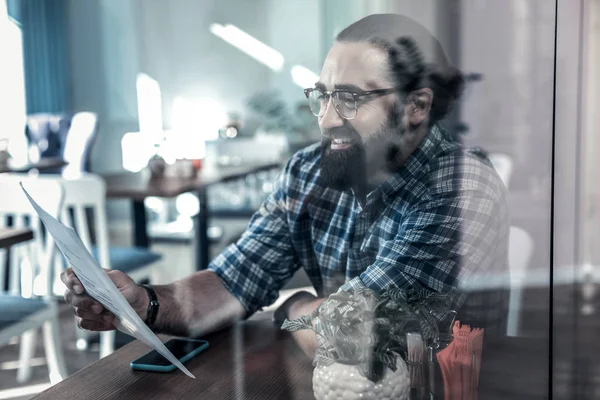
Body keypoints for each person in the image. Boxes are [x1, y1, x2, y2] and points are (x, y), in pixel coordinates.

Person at [62, 14, 509, 358]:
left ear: (416, 106)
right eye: (323, 95)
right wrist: (145, 303)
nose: (328, 118)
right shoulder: (310, 172)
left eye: (350, 98)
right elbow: (232, 281)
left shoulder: (461, 187)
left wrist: (291, 307)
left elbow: (361, 340)